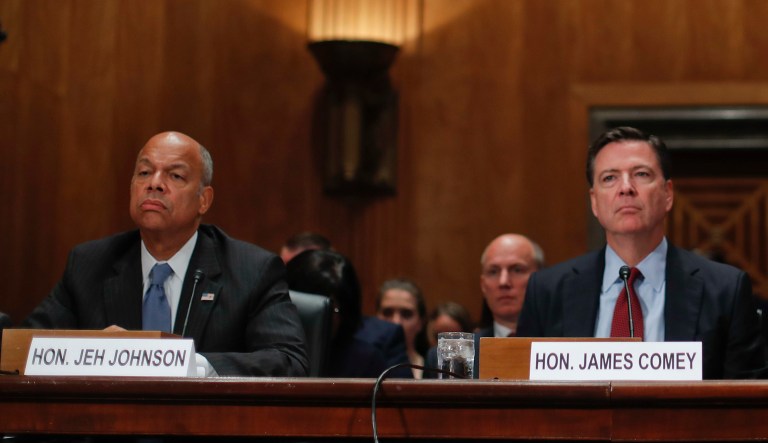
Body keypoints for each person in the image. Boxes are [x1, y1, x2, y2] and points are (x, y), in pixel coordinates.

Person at [22, 131, 308, 377]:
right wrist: (97, 351)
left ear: (204, 200)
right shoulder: (89, 264)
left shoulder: (252, 270)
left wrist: (188, 364)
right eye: (145, 172)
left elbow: (289, 361)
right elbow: (24, 350)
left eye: (175, 175)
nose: (154, 183)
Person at [517, 126, 767, 379]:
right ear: (594, 201)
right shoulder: (547, 291)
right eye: (609, 178)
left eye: (641, 174)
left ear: (668, 194)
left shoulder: (726, 290)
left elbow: (744, 407)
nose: (626, 188)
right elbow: (522, 396)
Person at [424, 233, 544, 378]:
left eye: (517, 270)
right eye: (493, 272)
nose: (503, 282)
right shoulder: (449, 357)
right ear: (483, 286)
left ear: (542, 278)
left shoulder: (566, 351)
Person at [286, 249, 389, 377]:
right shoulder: (270, 353)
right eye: (313, 311)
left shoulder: (366, 361)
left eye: (330, 310)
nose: (321, 320)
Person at [376, 278, 430, 378]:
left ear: (421, 322)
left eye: (406, 314)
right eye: (387, 313)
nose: (396, 322)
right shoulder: (364, 366)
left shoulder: (433, 368)